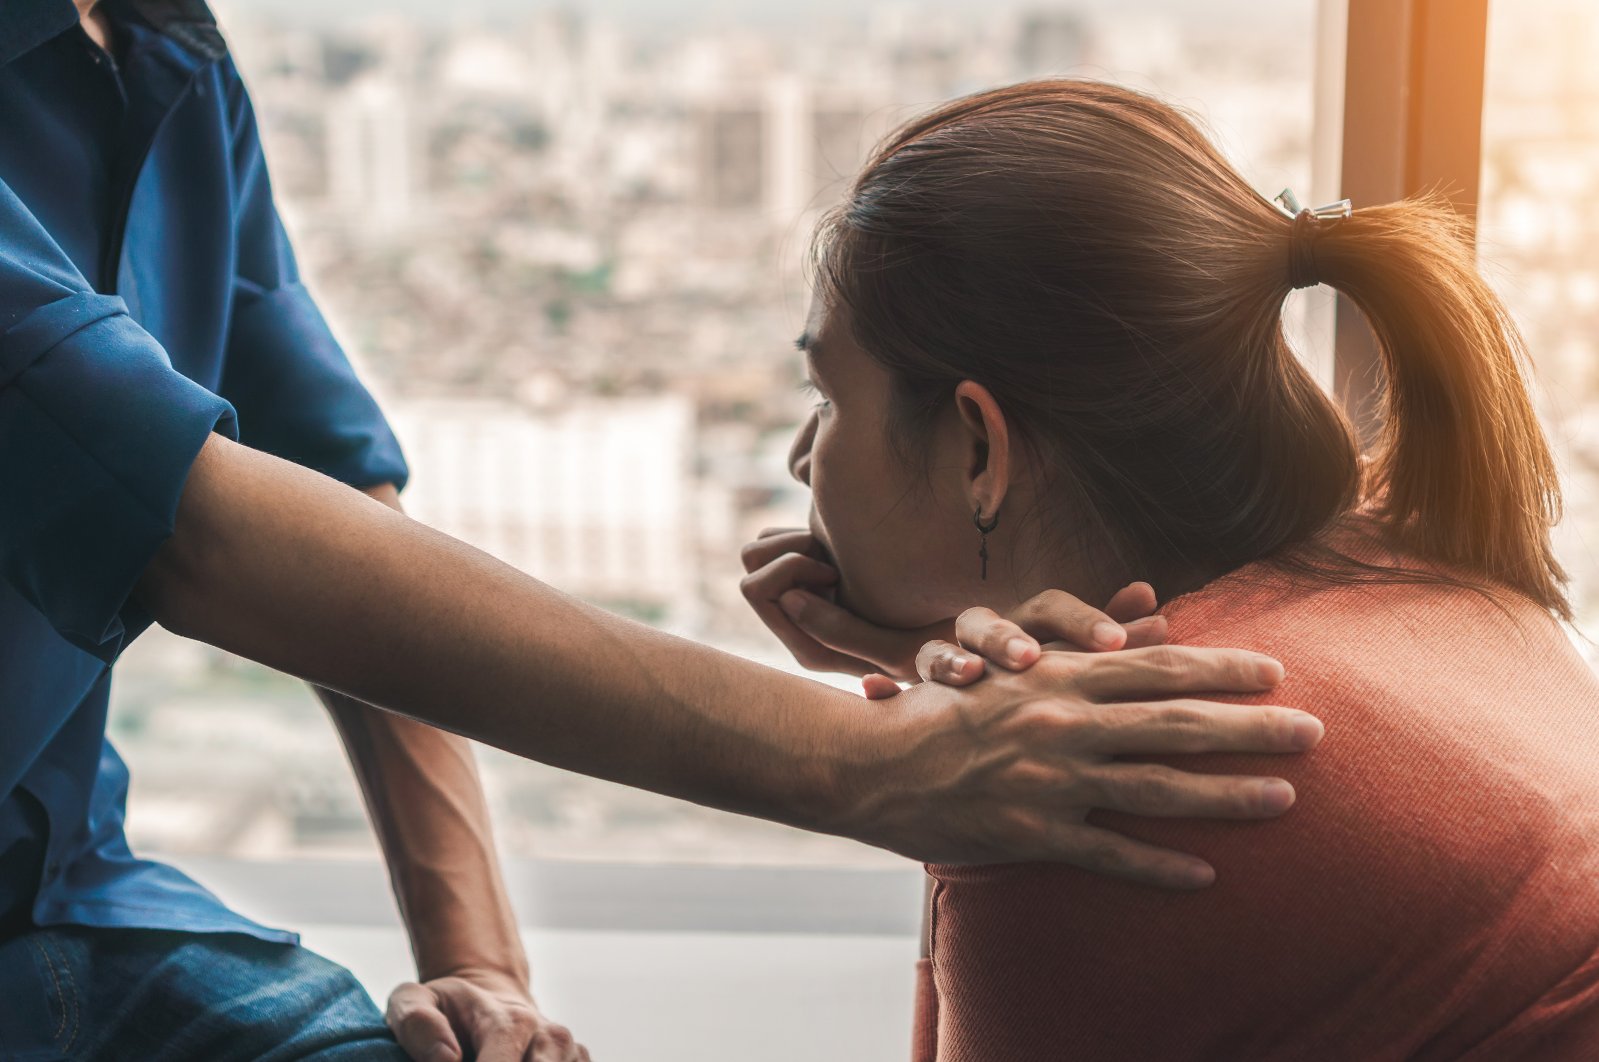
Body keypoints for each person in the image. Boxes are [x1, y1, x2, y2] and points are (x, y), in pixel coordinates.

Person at [0, 4, 1330, 1060]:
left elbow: (336, 490)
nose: (800, 454)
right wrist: (882, 758)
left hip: (71, 896)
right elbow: (184, 518)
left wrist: (483, 975)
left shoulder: (168, 58)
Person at [741, 78, 1599, 1060]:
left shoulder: (1110, 799)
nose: (803, 459)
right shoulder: (1409, 560)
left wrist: (953, 798)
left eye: (828, 400)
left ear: (979, 447)